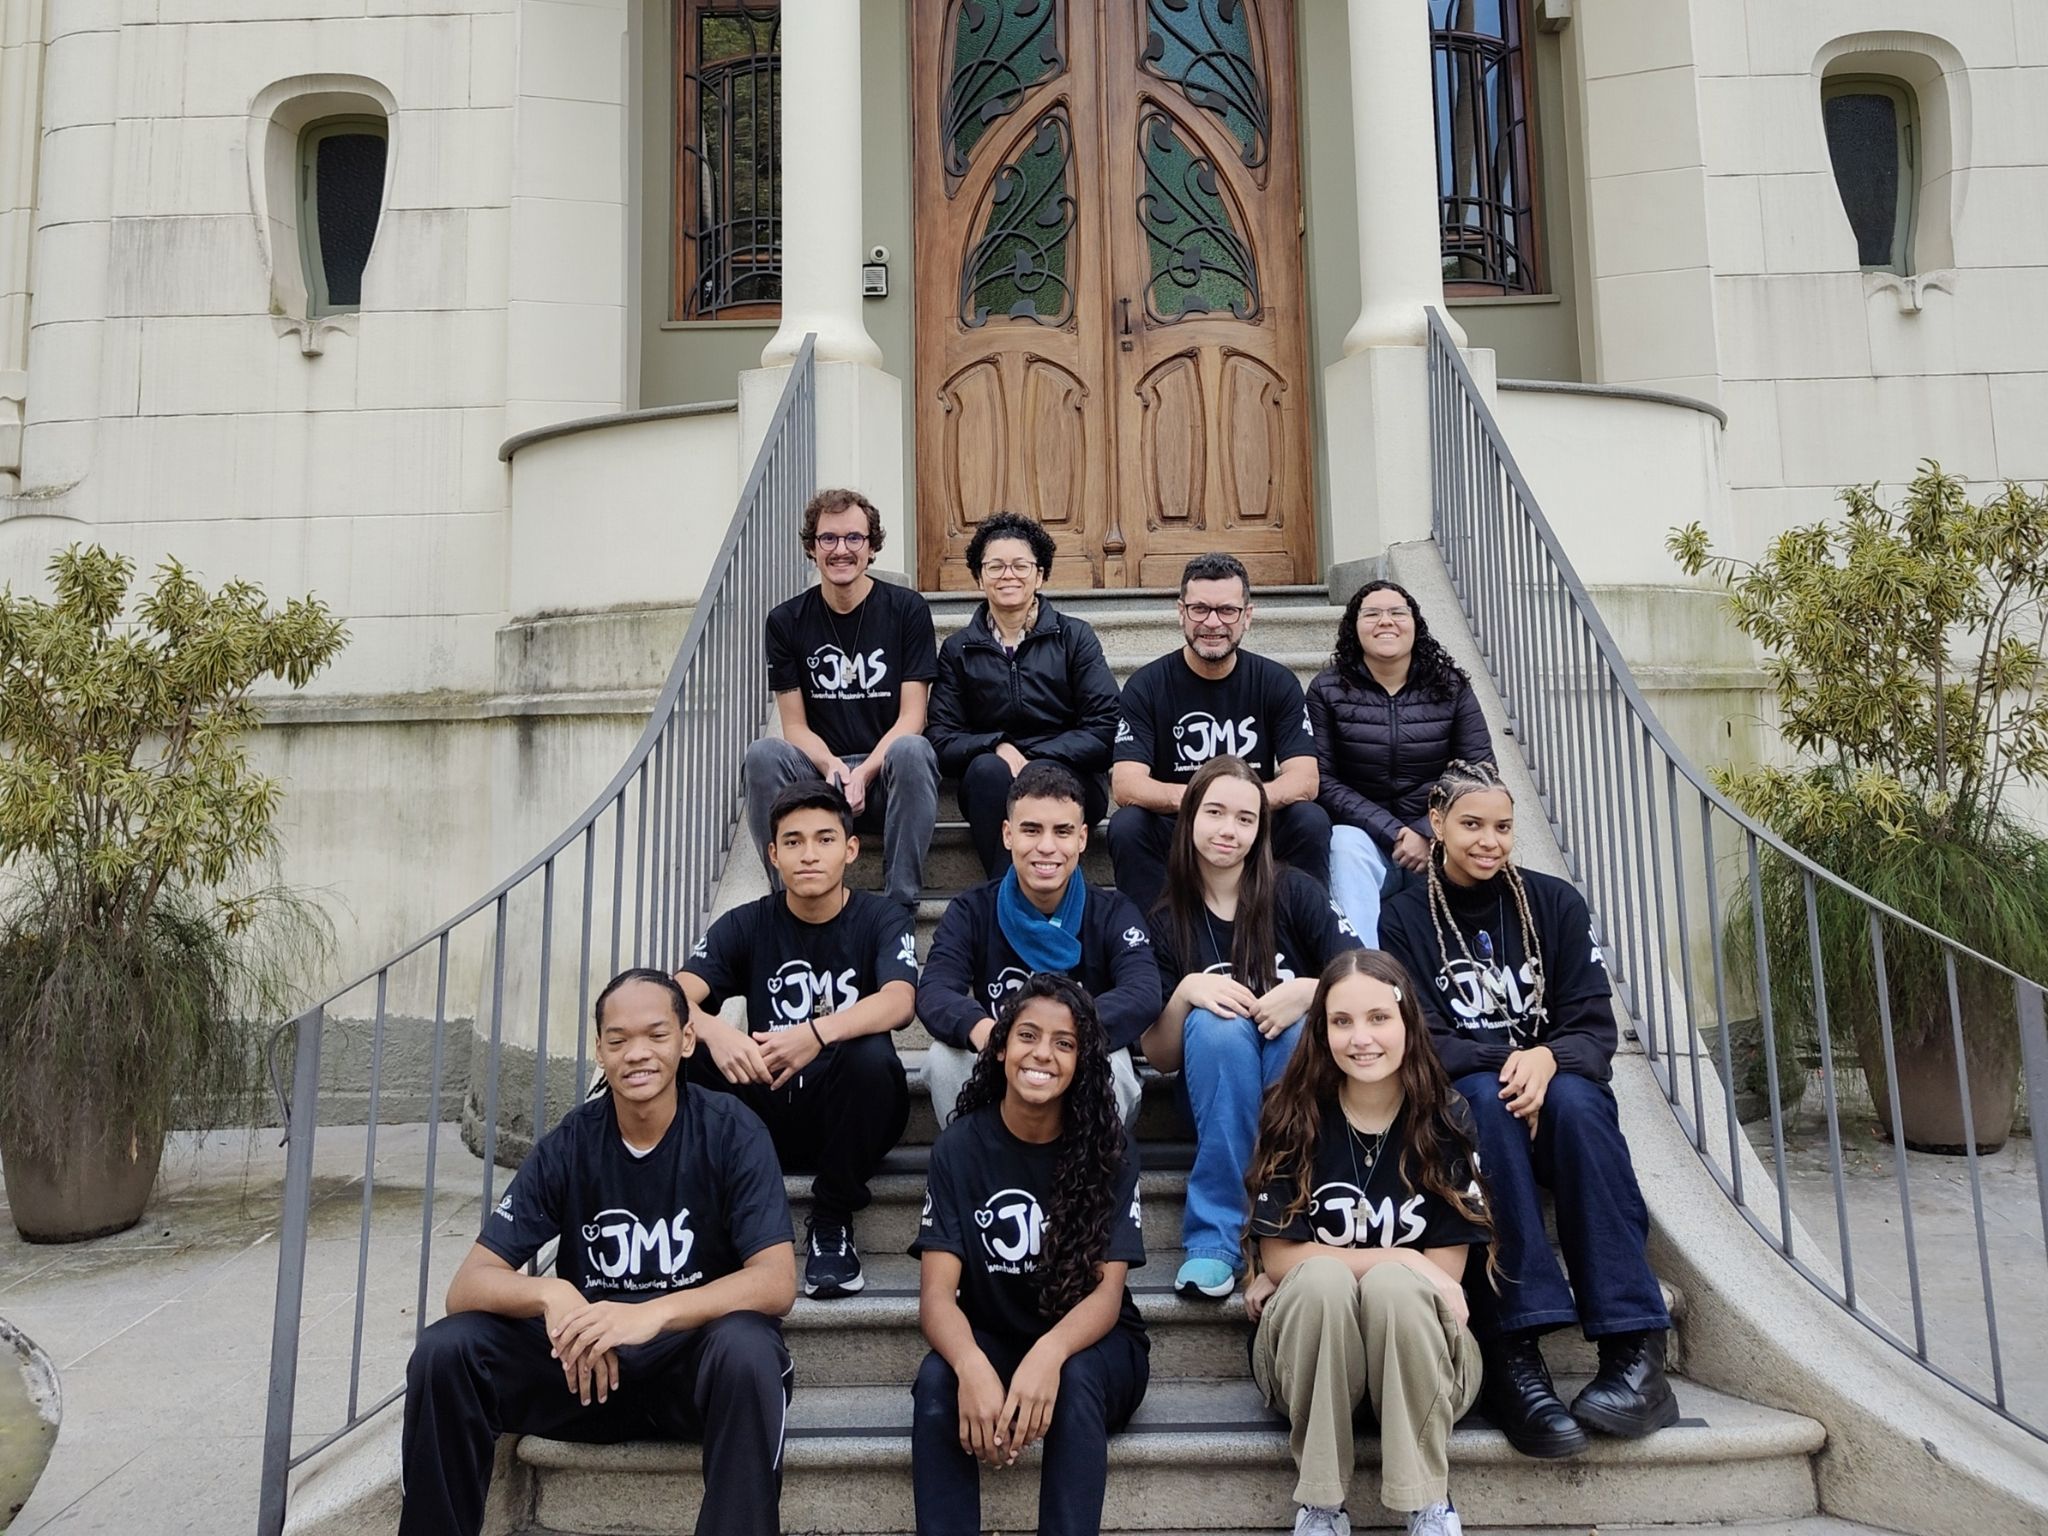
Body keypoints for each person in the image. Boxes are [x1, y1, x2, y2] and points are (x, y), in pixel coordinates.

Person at [400, 969, 796, 1536]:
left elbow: (775, 1283)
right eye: (618, 1040)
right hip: (588, 1375)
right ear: (600, 1051)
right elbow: (468, 1287)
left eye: (656, 1035)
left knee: (751, 1351)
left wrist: (651, 1314)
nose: (637, 1053)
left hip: (690, 1373)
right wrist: (552, 1294)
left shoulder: (733, 1132)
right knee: (447, 1350)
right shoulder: (571, 1142)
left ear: (687, 1040)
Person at [1377, 760, 1676, 1459]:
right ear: (1437, 823)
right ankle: (1514, 1351)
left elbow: (1592, 1030)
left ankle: (1635, 1352)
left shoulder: (1555, 903)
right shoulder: (1404, 917)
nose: (1490, 841)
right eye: (1472, 824)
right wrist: (1515, 1065)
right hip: (1478, 1106)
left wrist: (1547, 1060)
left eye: (1504, 827)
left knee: (1577, 1102)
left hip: (1557, 1097)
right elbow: (1422, 1039)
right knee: (1484, 1100)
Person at [1240, 949, 1493, 1536]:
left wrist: (1395, 1269)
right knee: (1323, 1282)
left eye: (1379, 1018)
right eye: (1342, 1021)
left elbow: (1445, 1276)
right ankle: (1321, 1507)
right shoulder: (1291, 1112)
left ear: (1407, 1022)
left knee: (1393, 1289)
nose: (1361, 1038)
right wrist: (1402, 1256)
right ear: (1320, 1030)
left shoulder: (1446, 1117)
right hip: (1308, 1366)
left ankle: (1428, 1503)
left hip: (1423, 1364)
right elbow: (1280, 1258)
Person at [909, 973, 1151, 1536]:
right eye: (1028, 1036)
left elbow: (1106, 1295)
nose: (1043, 1053)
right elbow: (937, 1298)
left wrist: (1049, 1354)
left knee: (1076, 1378)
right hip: (995, 1333)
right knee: (937, 1380)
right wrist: (971, 1366)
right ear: (1000, 1048)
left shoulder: (1109, 1149)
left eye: (1064, 1043)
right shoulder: (958, 1148)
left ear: (1081, 1061)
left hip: (1095, 1345)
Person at [676, 782, 918, 1300]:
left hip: (851, 1115)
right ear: (773, 854)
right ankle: (700, 1213)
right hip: (766, 1108)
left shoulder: (881, 917)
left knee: (870, 1054)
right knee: (683, 1048)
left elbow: (900, 1001)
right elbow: (670, 999)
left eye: (824, 839)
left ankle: (831, 1220)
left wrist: (815, 1034)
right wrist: (716, 1031)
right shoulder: (747, 923)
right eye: (793, 841)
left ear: (850, 850)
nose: (809, 854)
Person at [1138, 754, 1361, 1299]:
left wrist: (1309, 991)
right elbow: (1159, 1056)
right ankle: (1215, 1242)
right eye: (1215, 812)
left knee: (1294, 1030)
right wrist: (1187, 992)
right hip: (1216, 1097)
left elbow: (1370, 983)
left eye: (1245, 818)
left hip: (1298, 1091)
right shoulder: (1164, 919)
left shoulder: (1295, 892)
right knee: (1217, 1027)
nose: (1228, 830)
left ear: (1260, 830)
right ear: (1191, 816)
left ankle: (1289, 1230)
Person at [917, 760, 1161, 1128]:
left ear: (1082, 839)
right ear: (1007, 835)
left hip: (1080, 1058)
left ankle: (1092, 1164)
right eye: (1031, 830)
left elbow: (1143, 992)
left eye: (1062, 832)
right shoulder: (971, 909)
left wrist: (1057, 1036)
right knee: (943, 1060)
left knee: (1117, 1064)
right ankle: (977, 1162)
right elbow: (934, 991)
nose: (1046, 847)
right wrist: (989, 1031)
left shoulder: (1114, 911)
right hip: (1001, 1059)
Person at [744, 487, 941, 914]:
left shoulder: (907, 610)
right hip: (820, 777)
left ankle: (898, 909)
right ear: (812, 548)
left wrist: (865, 772)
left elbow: (913, 716)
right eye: (828, 539)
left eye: (854, 538)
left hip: (887, 777)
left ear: (871, 547)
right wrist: (833, 767)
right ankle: (788, 905)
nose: (841, 550)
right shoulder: (785, 621)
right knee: (763, 755)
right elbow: (794, 727)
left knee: (914, 750)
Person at [1109, 552, 1329, 913]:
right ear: (1181, 612)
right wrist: (1205, 804)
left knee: (1310, 820)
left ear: (1247, 616)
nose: (1213, 623)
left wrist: (1239, 806)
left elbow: (1305, 780)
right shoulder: (1146, 685)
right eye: (1200, 609)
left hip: (1251, 822)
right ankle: (1150, 936)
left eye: (1227, 610)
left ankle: (1304, 928)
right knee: (1128, 825)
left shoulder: (1276, 682)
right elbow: (1126, 785)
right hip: (1180, 825)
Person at [927, 510, 1121, 877]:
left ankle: (1046, 888)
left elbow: (1106, 727)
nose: (1008, 575)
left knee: (1039, 779)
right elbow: (941, 738)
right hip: (994, 782)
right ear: (979, 577)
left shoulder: (1074, 637)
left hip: (1072, 775)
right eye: (995, 566)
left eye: (1020, 565)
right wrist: (998, 745)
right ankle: (1007, 889)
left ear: (1040, 574)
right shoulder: (958, 649)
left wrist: (1035, 758)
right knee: (986, 770)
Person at [1307, 580, 1491, 944]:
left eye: (1397, 613)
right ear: (1354, 627)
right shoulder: (1327, 689)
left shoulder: (1450, 686)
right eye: (1372, 614)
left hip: (1437, 836)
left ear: (1415, 624)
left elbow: (1478, 771)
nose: (1385, 621)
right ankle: (1364, 965)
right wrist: (1395, 832)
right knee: (1342, 844)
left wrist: (1425, 830)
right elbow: (1322, 779)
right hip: (1366, 839)